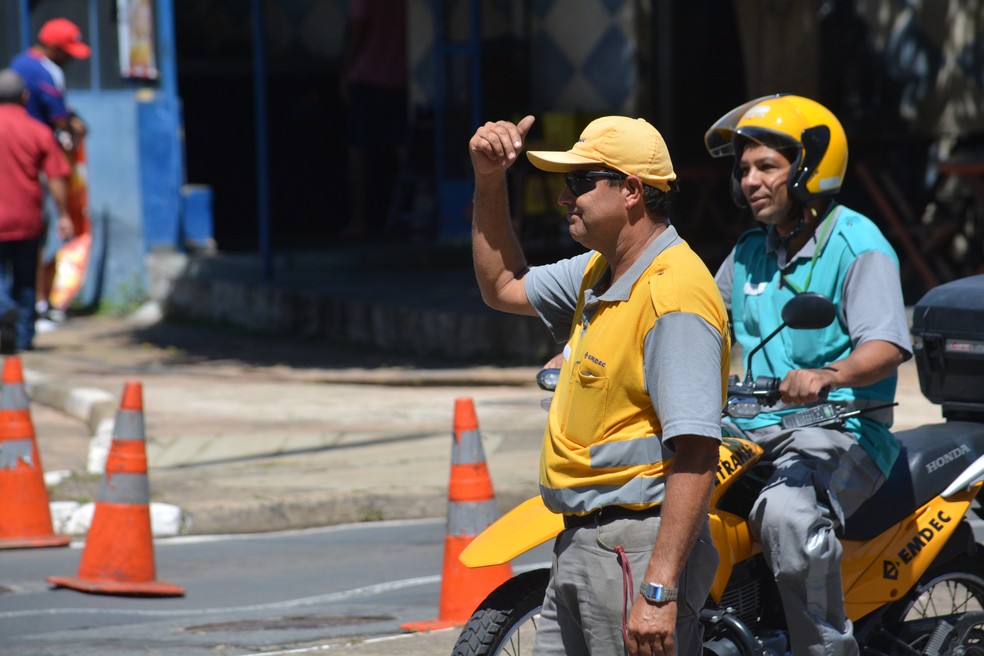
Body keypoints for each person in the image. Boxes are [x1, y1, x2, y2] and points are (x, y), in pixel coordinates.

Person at [470, 114, 730, 655]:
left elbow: (698, 451)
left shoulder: (673, 296)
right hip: (582, 543)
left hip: (635, 550)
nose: (566, 198)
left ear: (632, 190)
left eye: (580, 182)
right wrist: (490, 179)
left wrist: (658, 590)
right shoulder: (600, 271)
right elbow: (502, 285)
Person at [704, 94, 912, 655]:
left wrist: (829, 373)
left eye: (766, 166)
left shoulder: (858, 245)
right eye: (743, 169)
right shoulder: (749, 253)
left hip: (844, 432)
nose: (750, 180)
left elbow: (888, 344)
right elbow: (698, 317)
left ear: (808, 169)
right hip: (757, 428)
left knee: (786, 515)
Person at [10, 17, 89, 322]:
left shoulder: (20, 63)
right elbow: (59, 120)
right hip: (36, 162)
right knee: (33, 236)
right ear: (55, 48)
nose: (70, 58)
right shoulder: (44, 72)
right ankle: (37, 306)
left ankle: (17, 307)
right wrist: (73, 127)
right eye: (68, 51)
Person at [0, 69, 72, 352]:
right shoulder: (39, 131)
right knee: (26, 278)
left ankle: (3, 308)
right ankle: (23, 339)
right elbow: (56, 177)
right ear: (25, 96)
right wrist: (64, 214)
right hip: (28, 218)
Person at [338, 0, 407, 240]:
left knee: (358, 151)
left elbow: (359, 30)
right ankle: (408, 211)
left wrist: (345, 72)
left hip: (367, 79)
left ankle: (359, 220)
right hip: (398, 79)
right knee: (402, 150)